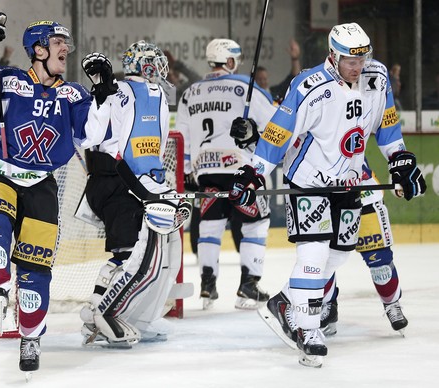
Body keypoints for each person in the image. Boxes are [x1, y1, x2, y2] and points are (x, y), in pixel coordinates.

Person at [229, 22, 426, 367]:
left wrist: (400, 159)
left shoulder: (376, 78)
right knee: (315, 251)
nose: (358, 67)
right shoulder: (308, 85)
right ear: (332, 55)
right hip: (309, 181)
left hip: (349, 181)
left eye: (362, 59)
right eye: (351, 60)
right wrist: (253, 173)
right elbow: (279, 133)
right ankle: (308, 328)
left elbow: (388, 126)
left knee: (338, 254)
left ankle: (285, 302)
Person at [0, 15, 113, 373]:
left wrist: (103, 94)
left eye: (65, 43)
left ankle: (31, 335)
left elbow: (93, 133)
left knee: (35, 274)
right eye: (57, 43)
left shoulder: (73, 94)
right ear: (38, 49)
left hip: (41, 181)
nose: (65, 48)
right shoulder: (10, 80)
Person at [78, 41, 192, 347]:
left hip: (112, 183)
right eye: (157, 62)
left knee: (133, 252)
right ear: (148, 66)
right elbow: (133, 151)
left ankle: (114, 313)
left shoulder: (134, 92)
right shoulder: (140, 93)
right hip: (123, 184)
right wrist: (150, 190)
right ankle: (108, 315)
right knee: (140, 255)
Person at [176, 38, 277, 310]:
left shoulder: (190, 93)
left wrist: (186, 171)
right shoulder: (246, 87)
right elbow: (275, 125)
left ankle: (208, 285)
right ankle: (248, 286)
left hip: (205, 171)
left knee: (209, 226)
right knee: (255, 224)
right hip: (240, 169)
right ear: (230, 61)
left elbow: (181, 137)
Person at [320, 159, 410, 337]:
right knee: (322, 260)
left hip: (364, 193)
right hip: (327, 196)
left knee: (380, 263)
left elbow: (387, 136)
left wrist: (401, 169)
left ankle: (392, 304)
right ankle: (327, 307)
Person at [255, 39, 301, 103]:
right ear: (253, 80)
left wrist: (295, 59)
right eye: (259, 79)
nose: (263, 82)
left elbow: (294, 77)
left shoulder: (275, 93)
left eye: (265, 79)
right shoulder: (249, 97)